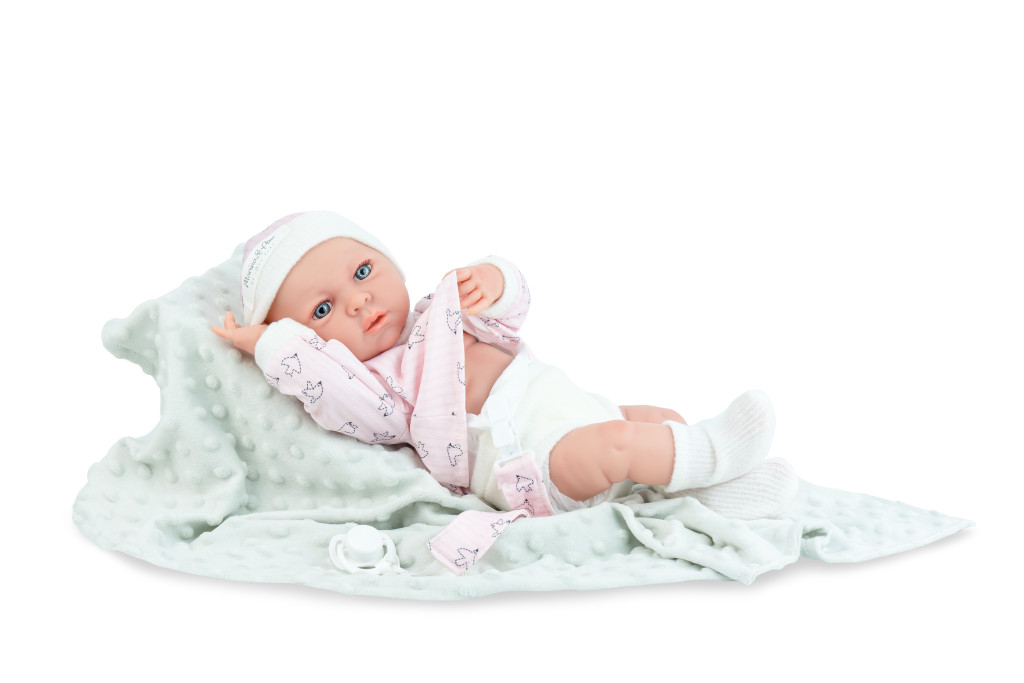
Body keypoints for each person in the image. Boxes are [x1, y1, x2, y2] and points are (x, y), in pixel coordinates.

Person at [213, 211, 797, 520]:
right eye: (322, 309)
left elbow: (512, 312)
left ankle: (701, 493)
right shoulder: (375, 385)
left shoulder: (440, 313)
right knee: (620, 444)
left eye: (363, 272)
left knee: (657, 419)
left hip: (575, 409)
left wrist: (494, 280)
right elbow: (321, 382)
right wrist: (269, 342)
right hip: (529, 461)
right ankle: (712, 454)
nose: (359, 301)